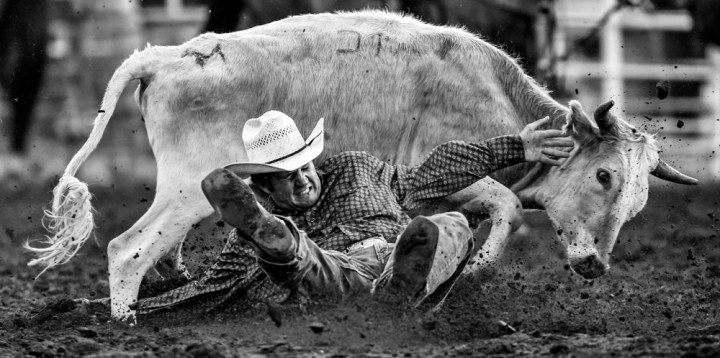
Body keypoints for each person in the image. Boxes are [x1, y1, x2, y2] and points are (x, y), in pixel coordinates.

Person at [132, 110, 573, 316]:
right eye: (288, 176)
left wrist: (514, 146)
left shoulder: (358, 167)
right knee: (310, 265)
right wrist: (120, 306)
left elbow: (435, 170)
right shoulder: (255, 221)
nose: (304, 178)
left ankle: (401, 280)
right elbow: (212, 291)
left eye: (305, 165)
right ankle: (279, 241)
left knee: (450, 226)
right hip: (342, 270)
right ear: (265, 186)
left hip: (404, 247)